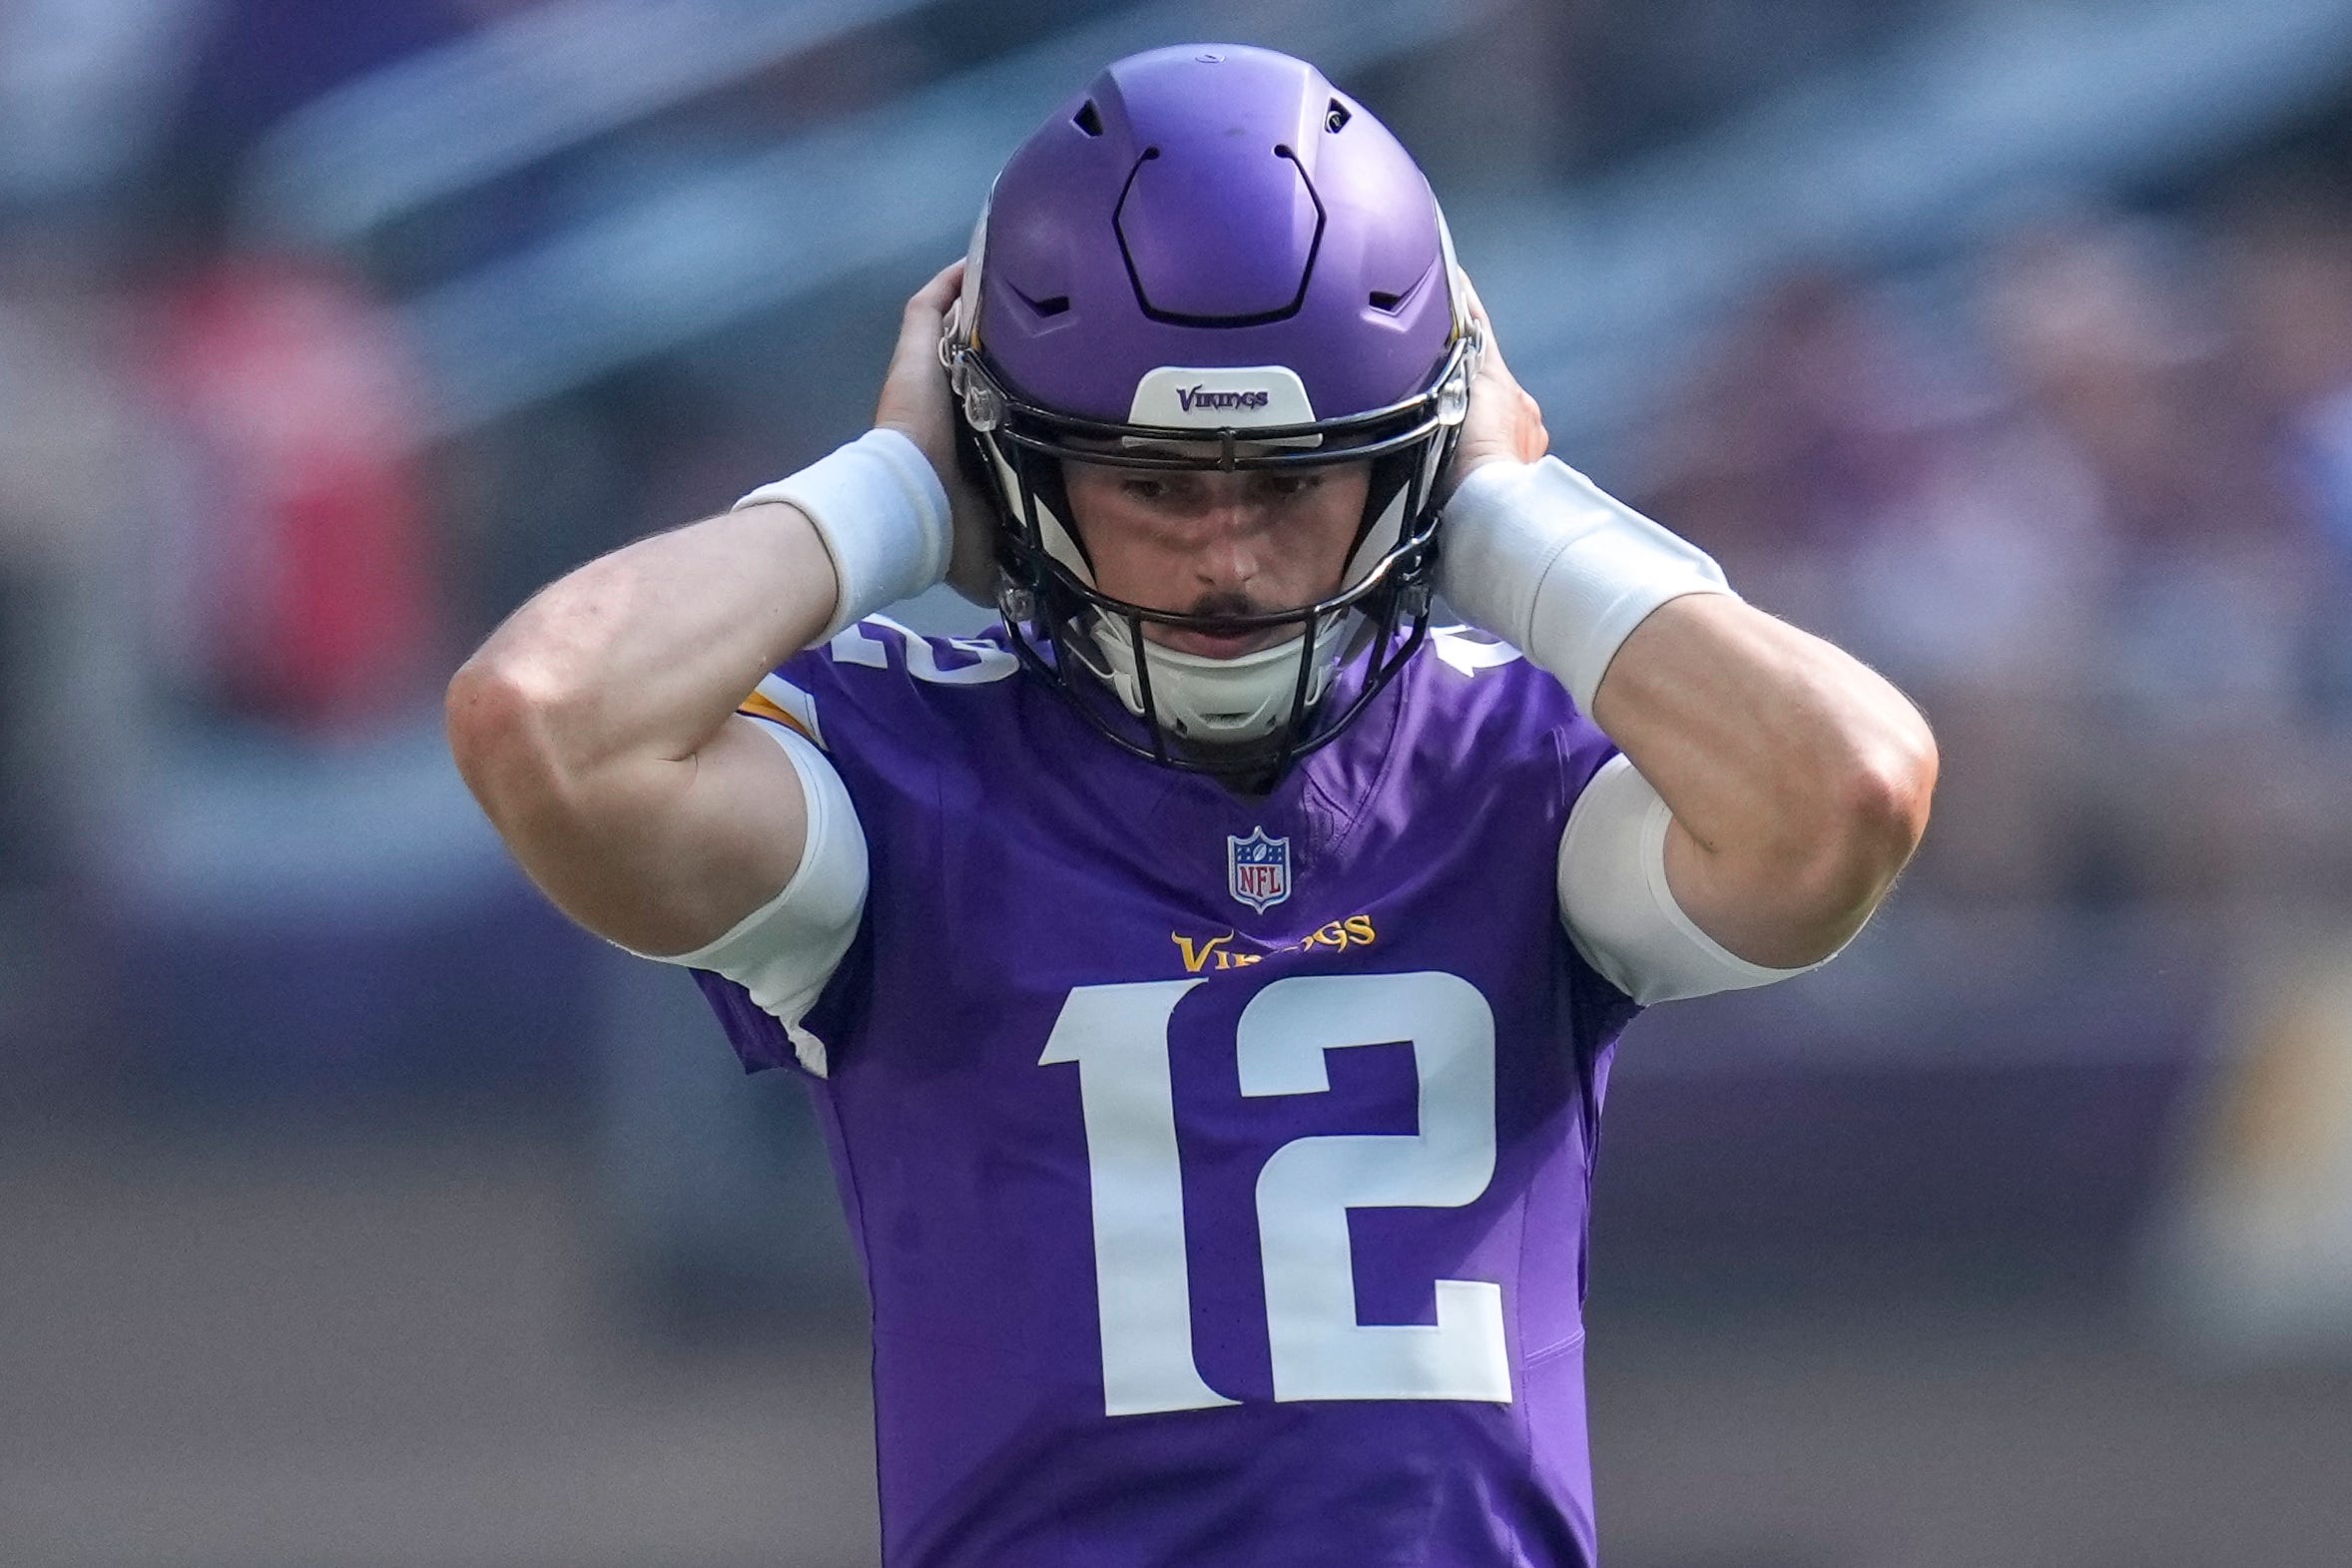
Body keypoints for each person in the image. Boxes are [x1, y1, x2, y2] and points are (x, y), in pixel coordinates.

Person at [448, 45, 1936, 1568]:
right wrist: (893, 483)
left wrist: (1501, 513)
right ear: (1012, 457)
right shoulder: (899, 782)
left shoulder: (1515, 762)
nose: (1227, 556)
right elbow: (545, 721)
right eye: (1155, 481)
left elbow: (1846, 795)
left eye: (1292, 478)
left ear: (1411, 453)